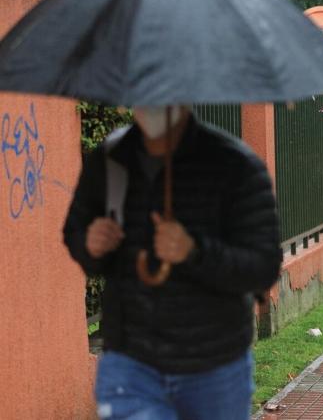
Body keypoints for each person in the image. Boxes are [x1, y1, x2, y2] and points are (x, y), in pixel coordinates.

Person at [63, 106, 282, 420]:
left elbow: (263, 266)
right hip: (130, 364)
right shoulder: (110, 159)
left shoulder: (234, 164)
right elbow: (76, 231)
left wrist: (194, 252)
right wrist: (91, 245)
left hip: (213, 366)